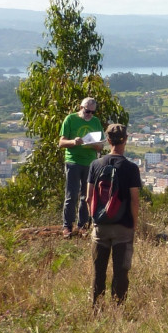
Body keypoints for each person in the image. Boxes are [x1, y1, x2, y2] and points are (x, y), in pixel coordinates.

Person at [86, 124, 141, 307]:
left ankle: (96, 309)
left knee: (98, 272)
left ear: (108, 141)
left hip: (100, 227)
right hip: (123, 227)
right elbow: (134, 200)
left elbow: (88, 197)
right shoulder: (131, 168)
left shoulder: (96, 165)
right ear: (126, 139)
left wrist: (93, 221)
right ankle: (118, 309)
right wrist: (134, 224)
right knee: (121, 272)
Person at [59, 97, 105, 237]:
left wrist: (93, 144)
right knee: (71, 195)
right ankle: (67, 226)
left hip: (90, 163)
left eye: (92, 112)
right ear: (80, 108)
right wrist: (74, 142)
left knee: (87, 196)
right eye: (87, 111)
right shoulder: (70, 119)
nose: (89, 114)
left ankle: (82, 225)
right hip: (73, 161)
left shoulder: (96, 122)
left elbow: (101, 146)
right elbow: (61, 143)